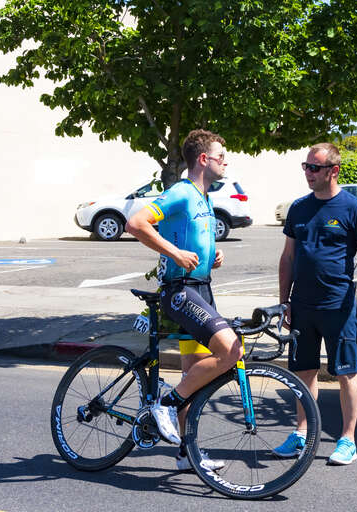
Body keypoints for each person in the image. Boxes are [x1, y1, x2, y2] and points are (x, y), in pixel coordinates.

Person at [125, 129, 244, 471]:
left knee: (195, 374)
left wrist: (211, 257)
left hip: (201, 288)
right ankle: (164, 403)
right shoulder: (181, 192)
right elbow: (136, 223)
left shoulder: (203, 196)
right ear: (204, 159)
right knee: (232, 351)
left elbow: (192, 237)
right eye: (222, 157)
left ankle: (185, 454)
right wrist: (176, 253)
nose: (226, 163)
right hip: (180, 293)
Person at [277, 142, 357, 465]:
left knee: (346, 371)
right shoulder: (298, 208)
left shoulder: (352, 208)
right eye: (305, 167)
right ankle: (301, 433)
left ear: (333, 171)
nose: (308, 173)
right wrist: (284, 302)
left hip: (339, 304)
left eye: (314, 168)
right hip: (303, 305)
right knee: (303, 372)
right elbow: (288, 257)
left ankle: (348, 439)